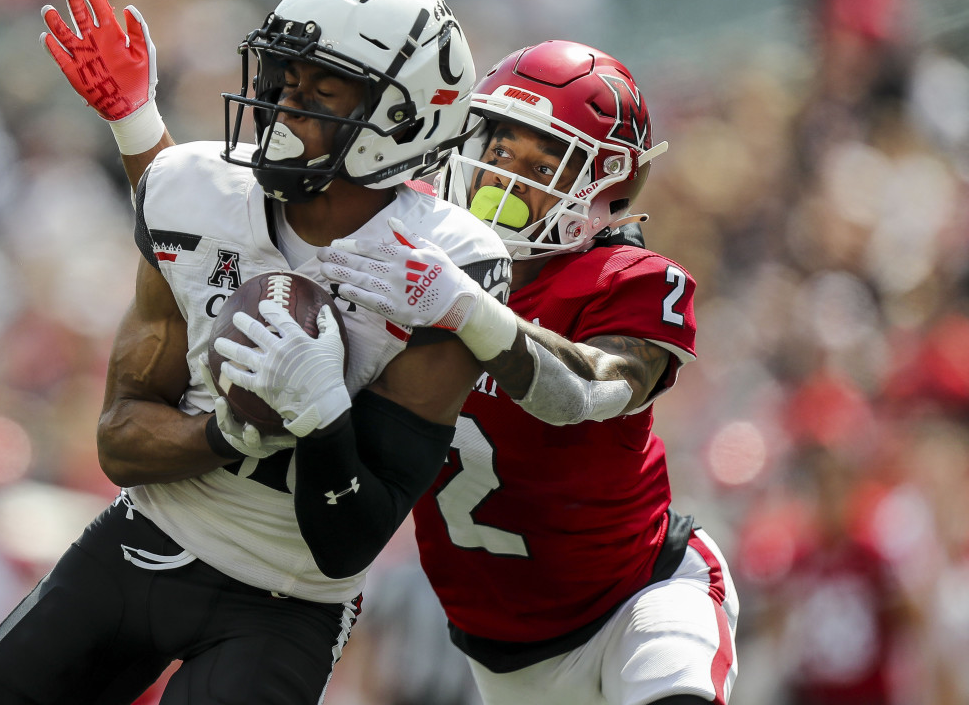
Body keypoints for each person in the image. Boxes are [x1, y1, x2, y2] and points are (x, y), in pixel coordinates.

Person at [0, 0, 512, 705]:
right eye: (282, 79)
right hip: (143, 540)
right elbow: (120, 441)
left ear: (401, 118)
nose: (281, 106)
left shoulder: (446, 269)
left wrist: (319, 413)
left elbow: (350, 537)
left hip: (286, 599)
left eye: (319, 91)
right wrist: (229, 433)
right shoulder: (194, 191)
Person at [317, 40, 739, 705]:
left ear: (604, 189)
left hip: (642, 596)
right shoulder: (411, 250)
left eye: (546, 164)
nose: (507, 180)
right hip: (504, 656)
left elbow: (587, 390)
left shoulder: (624, 281)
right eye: (501, 153)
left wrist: (469, 311)